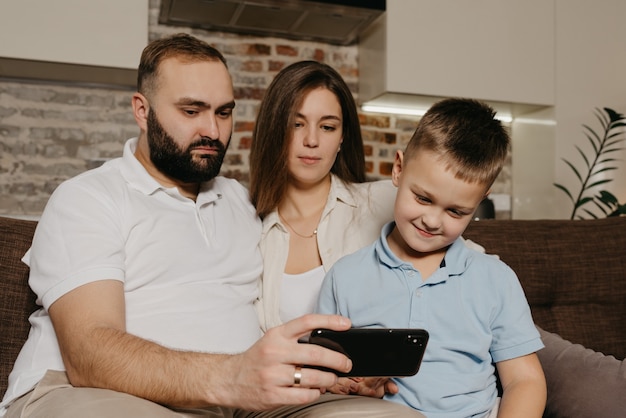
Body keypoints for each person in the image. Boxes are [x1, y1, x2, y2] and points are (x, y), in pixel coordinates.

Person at [0, 34, 423, 418]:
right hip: (93, 392)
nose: (212, 130)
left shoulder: (240, 203)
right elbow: (90, 354)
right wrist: (232, 376)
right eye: (191, 110)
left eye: (223, 113)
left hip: (239, 403)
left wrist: (329, 374)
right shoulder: (89, 197)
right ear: (142, 111)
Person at [316, 98, 548, 417]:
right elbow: (325, 379)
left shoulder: (496, 279)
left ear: (480, 201)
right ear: (398, 169)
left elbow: (525, 380)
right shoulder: (346, 277)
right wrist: (349, 385)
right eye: (423, 198)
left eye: (456, 211)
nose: (432, 221)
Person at [249, 60, 397, 332]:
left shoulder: (385, 202)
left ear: (342, 138)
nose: (312, 140)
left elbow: (474, 263)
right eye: (296, 124)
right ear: (274, 129)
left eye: (327, 127)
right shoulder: (247, 227)